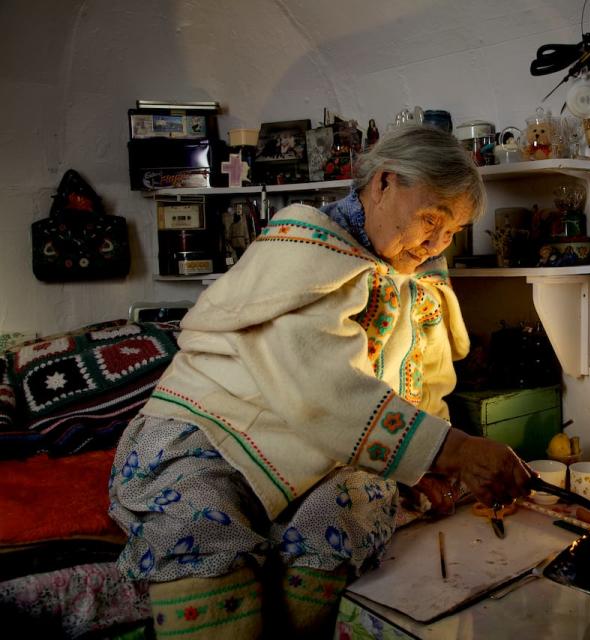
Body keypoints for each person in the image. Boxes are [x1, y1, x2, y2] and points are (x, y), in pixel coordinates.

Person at [109, 125, 533, 639]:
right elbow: (324, 389)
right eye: (430, 220)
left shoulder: (416, 275)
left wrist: (425, 464)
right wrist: (456, 449)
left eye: (452, 231)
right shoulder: (302, 251)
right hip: (218, 428)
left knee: (357, 501)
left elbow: (422, 381)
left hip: (330, 446)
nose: (436, 243)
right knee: (200, 521)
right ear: (383, 184)